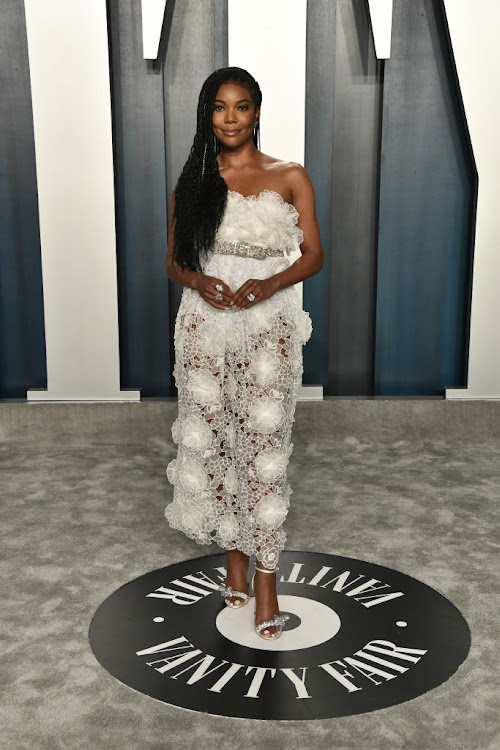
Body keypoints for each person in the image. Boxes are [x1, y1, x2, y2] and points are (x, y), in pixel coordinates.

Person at [164, 66, 323, 639]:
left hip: (268, 325)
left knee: (263, 446)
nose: (230, 119)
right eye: (219, 108)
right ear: (208, 115)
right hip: (205, 323)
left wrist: (271, 283)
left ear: (257, 111)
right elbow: (175, 261)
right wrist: (200, 282)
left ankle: (266, 588)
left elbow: (312, 255)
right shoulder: (196, 181)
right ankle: (232, 567)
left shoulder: (289, 175)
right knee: (217, 440)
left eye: (242, 107)